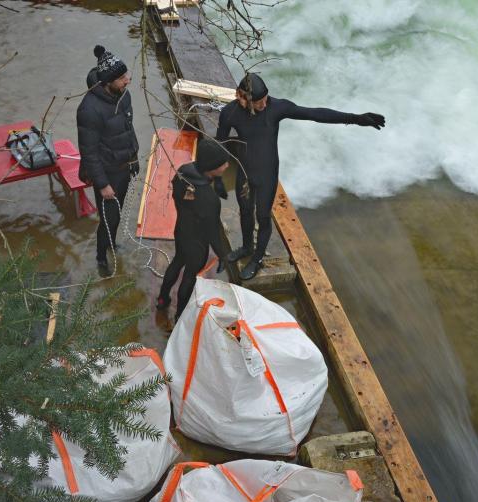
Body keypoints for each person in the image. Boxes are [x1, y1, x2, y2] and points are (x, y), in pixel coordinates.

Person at [216, 73, 386, 280]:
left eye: (265, 99)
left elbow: (314, 113)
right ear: (243, 98)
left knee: (262, 215)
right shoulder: (229, 113)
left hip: (267, 172)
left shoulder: (276, 107)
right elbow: (219, 145)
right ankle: (246, 247)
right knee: (244, 211)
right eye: (258, 102)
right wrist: (217, 178)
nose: (264, 104)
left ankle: (257, 258)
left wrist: (356, 119)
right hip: (244, 171)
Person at [77, 45, 140, 276]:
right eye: (122, 77)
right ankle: (101, 256)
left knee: (117, 214)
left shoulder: (123, 95)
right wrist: (102, 184)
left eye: (126, 75)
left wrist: (134, 158)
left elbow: (127, 128)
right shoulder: (89, 110)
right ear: (108, 81)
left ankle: (112, 243)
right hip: (107, 171)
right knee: (108, 218)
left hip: (125, 164)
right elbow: (89, 152)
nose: (128, 80)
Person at [157, 138, 231, 319]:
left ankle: (162, 299)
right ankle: (180, 316)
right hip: (197, 242)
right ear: (211, 167)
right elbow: (213, 232)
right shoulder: (209, 199)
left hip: (181, 229)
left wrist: (216, 180)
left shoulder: (183, 172)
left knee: (177, 262)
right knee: (189, 276)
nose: (227, 166)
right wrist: (222, 255)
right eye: (223, 164)